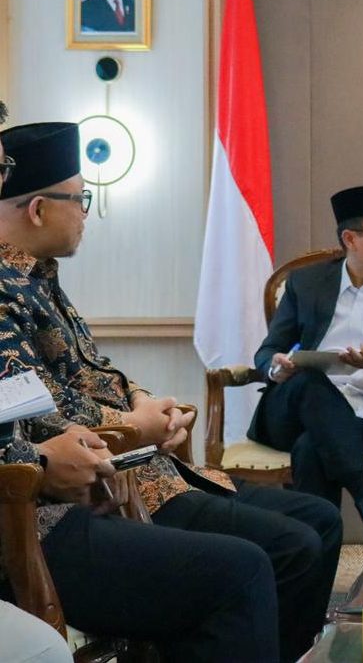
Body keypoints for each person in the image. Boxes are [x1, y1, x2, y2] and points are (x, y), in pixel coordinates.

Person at [0, 121, 338, 662]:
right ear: (38, 209)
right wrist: (134, 428)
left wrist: (145, 404)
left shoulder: (39, 279)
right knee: (256, 563)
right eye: (81, 198)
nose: (86, 212)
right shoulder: (6, 287)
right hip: (50, 510)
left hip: (113, 480)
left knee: (315, 522)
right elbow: (37, 413)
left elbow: (91, 374)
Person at [248, 183, 363, 549]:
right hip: (291, 410)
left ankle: (315, 565)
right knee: (310, 379)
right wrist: (276, 366)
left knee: (311, 450)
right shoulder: (305, 283)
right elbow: (268, 350)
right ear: (351, 239)